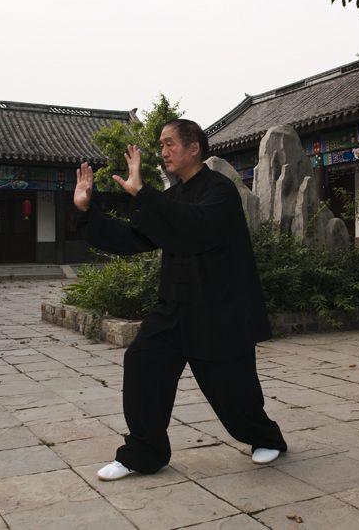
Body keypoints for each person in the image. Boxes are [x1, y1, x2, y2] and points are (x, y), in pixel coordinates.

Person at [73, 119, 287, 481]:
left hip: (219, 311)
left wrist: (144, 195)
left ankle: (266, 438)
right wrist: (85, 210)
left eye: (170, 143)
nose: (163, 151)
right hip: (173, 309)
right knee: (142, 362)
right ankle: (144, 452)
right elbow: (130, 238)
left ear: (194, 148)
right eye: (161, 145)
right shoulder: (171, 198)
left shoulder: (220, 191)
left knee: (233, 391)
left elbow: (195, 226)